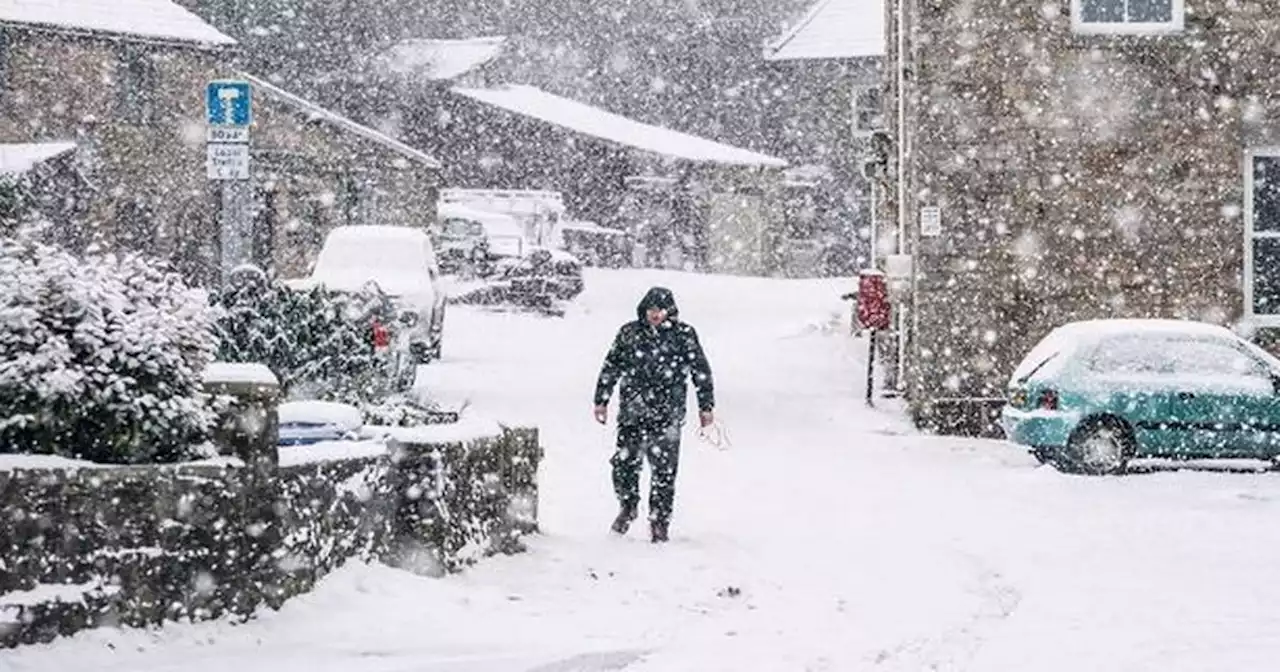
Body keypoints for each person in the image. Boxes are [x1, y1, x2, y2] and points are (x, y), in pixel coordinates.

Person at [593, 286, 715, 543]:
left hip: (667, 413)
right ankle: (628, 506)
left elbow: (700, 371)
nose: (655, 315)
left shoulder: (683, 335)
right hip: (633, 412)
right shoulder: (629, 333)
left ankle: (659, 520)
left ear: (669, 311)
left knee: (664, 472)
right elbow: (611, 365)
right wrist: (601, 400)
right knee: (624, 464)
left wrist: (706, 406)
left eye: (660, 310)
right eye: (651, 310)